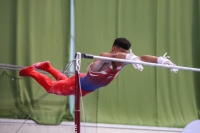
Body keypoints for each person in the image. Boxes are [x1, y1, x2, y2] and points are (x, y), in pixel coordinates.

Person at [19, 38, 178, 96]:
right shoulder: (105, 58)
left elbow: (143, 58)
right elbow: (113, 57)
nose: (123, 55)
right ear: (114, 48)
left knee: (65, 82)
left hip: (85, 85)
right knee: (52, 88)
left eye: (126, 53)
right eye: (121, 52)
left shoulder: (124, 60)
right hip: (79, 85)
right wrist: (129, 57)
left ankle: (47, 67)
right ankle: (32, 71)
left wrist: (161, 61)